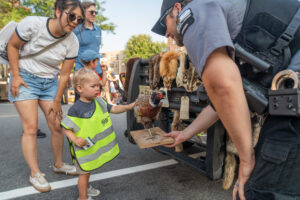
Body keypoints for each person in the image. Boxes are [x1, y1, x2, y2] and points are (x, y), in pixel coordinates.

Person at [151, 0, 300, 200]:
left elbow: (222, 86)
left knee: (257, 191)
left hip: (292, 100)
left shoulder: (191, 11)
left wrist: (246, 159)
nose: (166, 34)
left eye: (164, 24)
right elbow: (220, 103)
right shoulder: (225, 23)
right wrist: (185, 134)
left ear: (177, 9)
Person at [7, 0, 84, 192]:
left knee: (57, 124)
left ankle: (58, 165)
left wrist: (58, 100)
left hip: (50, 82)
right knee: (31, 127)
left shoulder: (73, 41)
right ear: (58, 11)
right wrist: (15, 76)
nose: (75, 22)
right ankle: (35, 173)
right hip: (25, 77)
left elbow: (65, 74)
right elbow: (12, 46)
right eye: (71, 16)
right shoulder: (33, 23)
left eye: (79, 20)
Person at [61, 68, 135, 200]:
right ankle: (82, 197)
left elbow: (114, 108)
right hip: (82, 151)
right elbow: (65, 127)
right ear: (79, 88)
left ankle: (86, 189)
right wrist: (75, 138)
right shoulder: (76, 109)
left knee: (87, 170)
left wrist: (128, 107)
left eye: (98, 86)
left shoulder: (99, 102)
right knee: (83, 174)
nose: (97, 89)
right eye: (93, 86)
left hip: (91, 150)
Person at [73, 1, 102, 76]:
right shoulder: (75, 29)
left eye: (95, 12)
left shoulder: (98, 30)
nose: (94, 14)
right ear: (83, 13)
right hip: (81, 72)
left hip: (97, 72)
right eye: (91, 12)